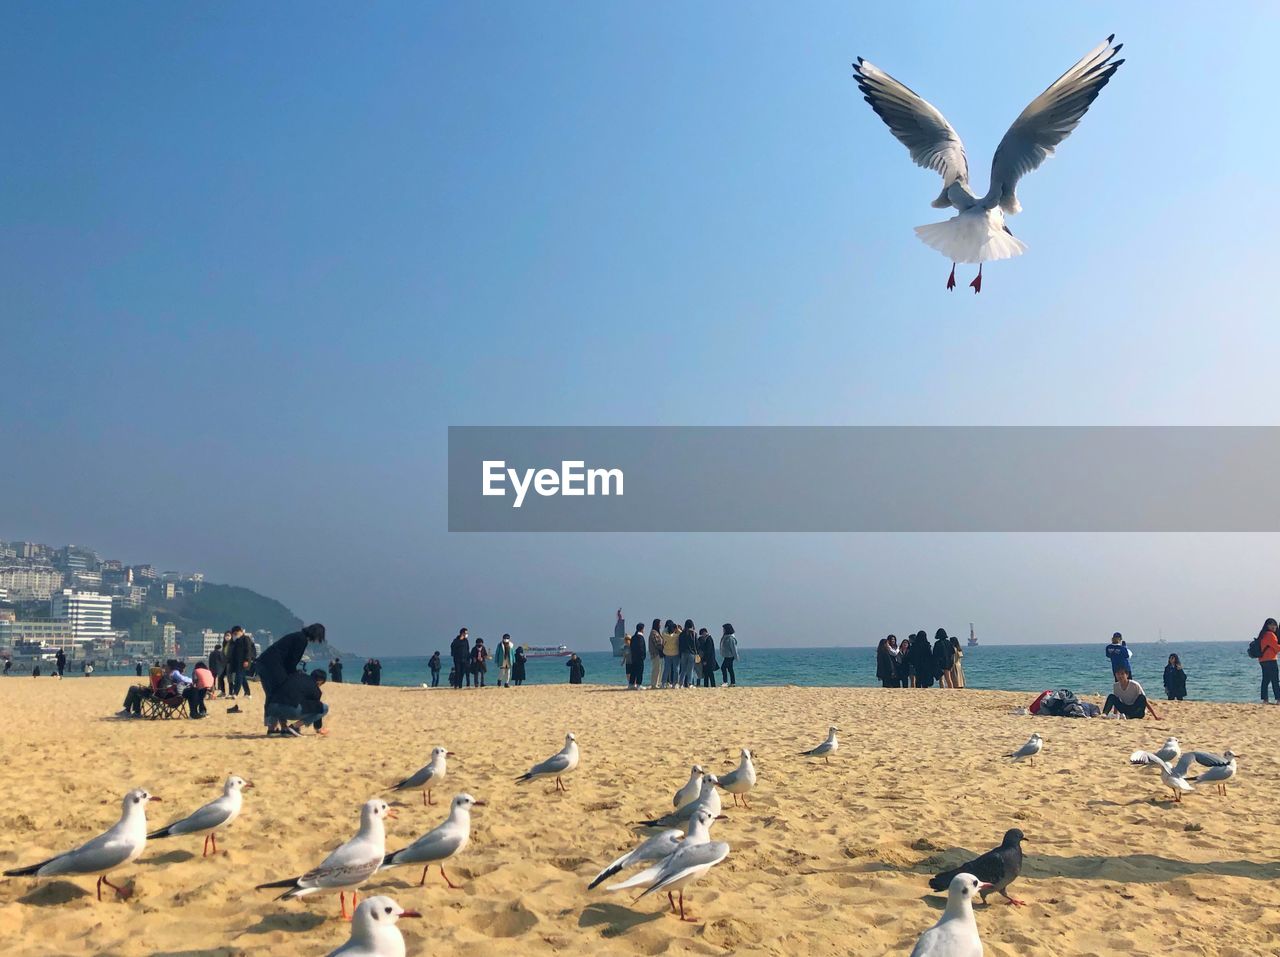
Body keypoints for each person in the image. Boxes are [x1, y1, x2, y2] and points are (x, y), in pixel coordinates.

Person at [254, 623, 327, 734]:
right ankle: (276, 727)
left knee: (273, 694)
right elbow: (292, 661)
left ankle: (275, 727)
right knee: (279, 693)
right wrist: (294, 676)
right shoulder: (301, 640)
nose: (317, 640)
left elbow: (289, 660)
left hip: (264, 663)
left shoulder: (297, 636)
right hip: (272, 666)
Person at [268, 668, 329, 736]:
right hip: (290, 710)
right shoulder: (315, 688)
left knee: (283, 700)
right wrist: (318, 728)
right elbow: (318, 707)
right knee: (324, 708)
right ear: (320, 681)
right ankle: (294, 727)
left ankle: (281, 728)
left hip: (272, 708)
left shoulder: (293, 677)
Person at [1255, 619, 1280, 704]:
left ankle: (1265, 700)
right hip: (1271, 660)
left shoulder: (1262, 635)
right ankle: (1278, 699)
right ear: (1267, 626)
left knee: (1265, 680)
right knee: (1275, 680)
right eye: (1271, 625)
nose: (1274, 627)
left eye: (1275, 625)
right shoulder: (1270, 635)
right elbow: (1277, 648)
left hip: (1263, 660)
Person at [229, 626, 255, 698]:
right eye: (234, 634)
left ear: (241, 631)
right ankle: (248, 693)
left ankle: (235, 693)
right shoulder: (236, 640)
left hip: (244, 662)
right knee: (242, 678)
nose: (235, 635)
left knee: (238, 677)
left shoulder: (246, 638)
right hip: (238, 662)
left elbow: (248, 650)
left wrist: (246, 660)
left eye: (236, 633)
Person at [660, 621, 680, 688]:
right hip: (675, 654)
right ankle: (674, 684)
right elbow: (681, 633)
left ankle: (663, 683)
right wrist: (677, 629)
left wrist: (667, 627)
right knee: (676, 669)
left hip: (667, 654)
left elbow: (663, 632)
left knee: (666, 669)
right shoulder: (676, 636)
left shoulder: (665, 636)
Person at [628, 622, 646, 689]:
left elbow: (631, 647)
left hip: (634, 657)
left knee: (633, 671)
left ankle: (631, 684)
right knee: (640, 671)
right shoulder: (640, 637)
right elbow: (641, 648)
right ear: (642, 629)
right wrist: (643, 656)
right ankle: (639, 684)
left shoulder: (633, 637)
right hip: (639, 657)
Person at [648, 619, 663, 689]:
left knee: (658, 669)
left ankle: (657, 683)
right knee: (656, 669)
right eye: (659, 624)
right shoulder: (654, 633)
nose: (660, 625)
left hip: (658, 654)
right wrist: (663, 646)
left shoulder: (656, 632)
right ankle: (654, 684)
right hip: (655, 653)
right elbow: (657, 644)